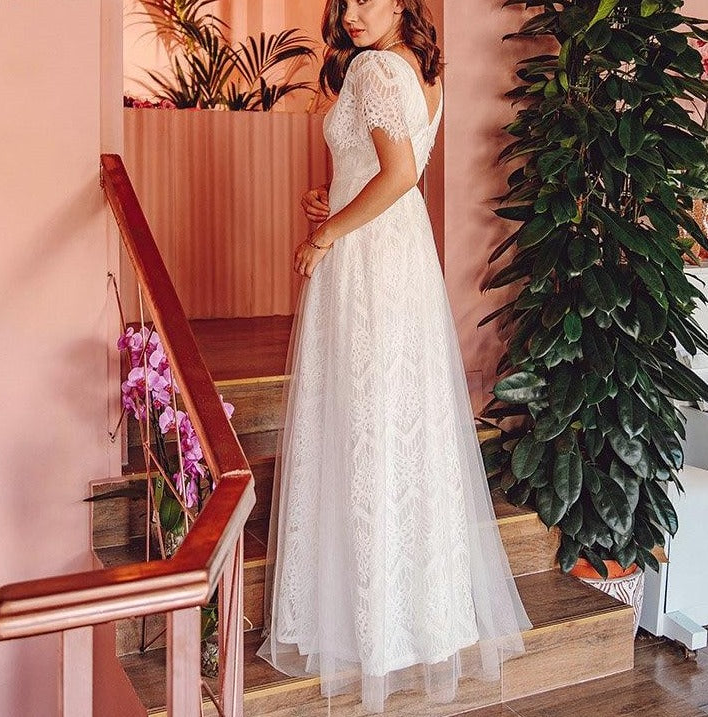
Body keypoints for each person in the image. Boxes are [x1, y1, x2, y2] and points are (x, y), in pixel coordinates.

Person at [257, 1, 532, 713]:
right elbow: (380, 172)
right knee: (397, 425)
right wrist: (333, 200)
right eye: (343, 2)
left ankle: (369, 618)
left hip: (367, 262)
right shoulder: (423, 69)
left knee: (362, 422)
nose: (352, 14)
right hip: (401, 254)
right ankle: (419, 612)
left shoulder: (376, 67)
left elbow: (399, 173)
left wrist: (325, 234)